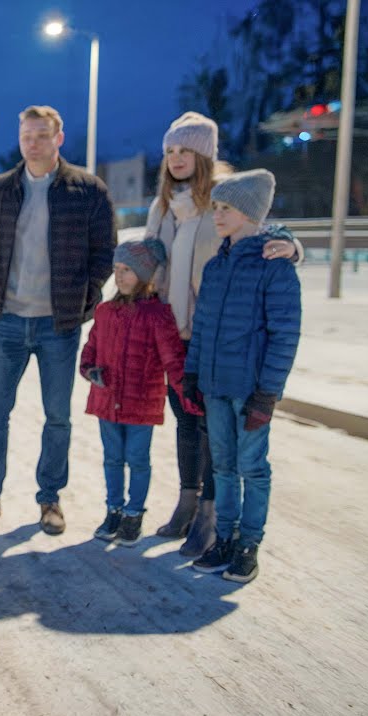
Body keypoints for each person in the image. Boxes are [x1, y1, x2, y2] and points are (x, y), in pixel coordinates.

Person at [144, 112, 301, 557]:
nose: (176, 159)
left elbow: (264, 232)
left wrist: (293, 246)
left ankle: (212, 515)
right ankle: (187, 503)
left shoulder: (224, 200)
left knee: (217, 432)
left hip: (216, 335)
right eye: (170, 151)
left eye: (185, 150)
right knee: (186, 424)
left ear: (205, 155)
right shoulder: (161, 208)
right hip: (173, 333)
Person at [0, 105, 117, 534]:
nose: (33, 143)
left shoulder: (87, 190)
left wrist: (85, 296)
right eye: (27, 135)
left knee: (57, 417)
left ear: (58, 139)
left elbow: (105, 252)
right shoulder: (2, 188)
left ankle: (50, 499)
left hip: (58, 325)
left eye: (42, 135)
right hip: (7, 320)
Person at [185, 169, 301, 583]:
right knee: (222, 469)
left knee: (252, 467)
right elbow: (202, 326)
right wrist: (193, 371)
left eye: (226, 208)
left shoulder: (275, 267)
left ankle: (249, 543)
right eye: (215, 207)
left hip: (250, 389)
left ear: (250, 214)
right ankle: (225, 538)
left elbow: (284, 335)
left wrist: (267, 393)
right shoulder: (217, 266)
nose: (216, 215)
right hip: (215, 386)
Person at [80, 238, 200, 546]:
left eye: (128, 270)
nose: (119, 276)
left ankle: (134, 515)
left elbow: (174, 360)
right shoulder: (105, 312)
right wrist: (90, 370)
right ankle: (113, 511)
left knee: (137, 459)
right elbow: (90, 351)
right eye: (117, 269)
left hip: (141, 404)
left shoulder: (158, 315)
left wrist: (188, 396)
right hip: (106, 400)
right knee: (111, 458)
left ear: (145, 275)